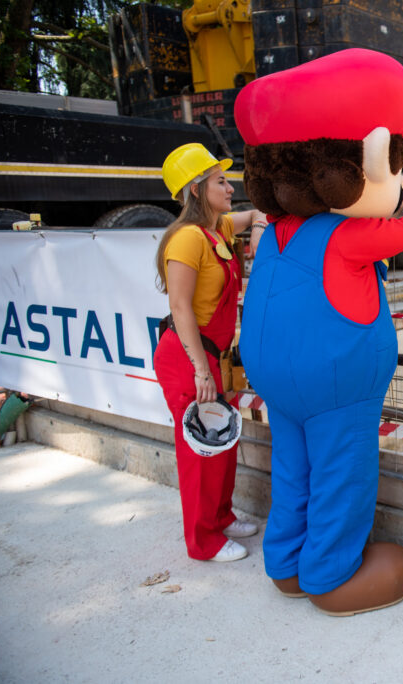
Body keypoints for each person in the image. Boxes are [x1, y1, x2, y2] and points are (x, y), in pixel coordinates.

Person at [153, 142, 267, 562]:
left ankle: (221, 517)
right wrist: (201, 370)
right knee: (200, 450)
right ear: (196, 189)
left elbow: (256, 213)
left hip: (213, 357)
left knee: (222, 442)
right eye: (221, 181)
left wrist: (257, 228)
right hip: (189, 359)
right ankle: (203, 541)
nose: (231, 188)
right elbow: (180, 307)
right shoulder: (187, 239)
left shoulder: (217, 230)